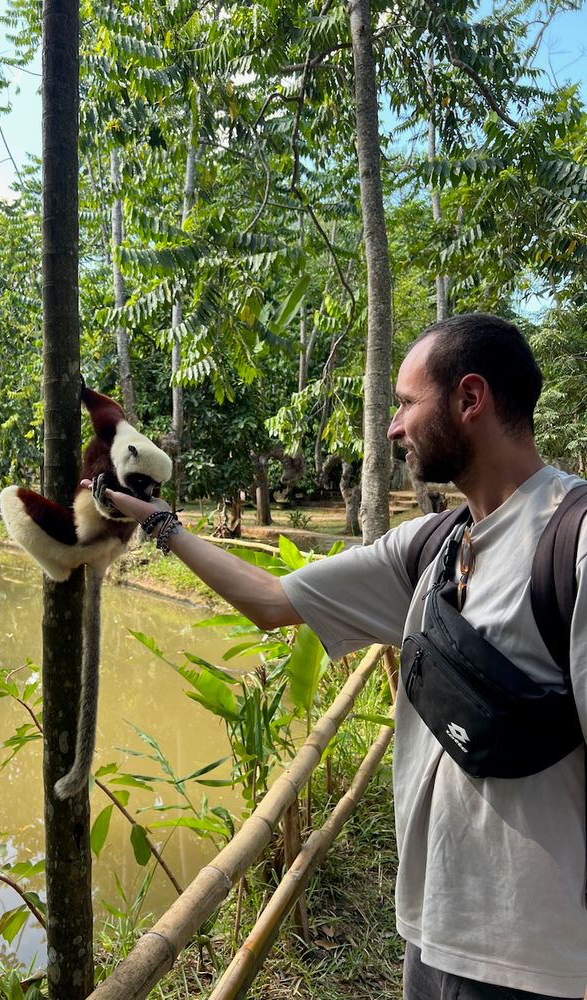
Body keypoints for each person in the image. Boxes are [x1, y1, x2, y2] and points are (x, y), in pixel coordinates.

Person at [87, 313, 587, 1000]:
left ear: (470, 400)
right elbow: (269, 599)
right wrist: (161, 524)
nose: (392, 427)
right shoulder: (430, 547)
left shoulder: (573, 544)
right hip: (428, 932)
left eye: (407, 404)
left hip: (542, 963)